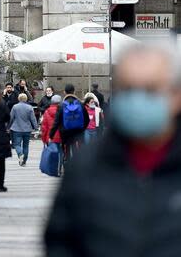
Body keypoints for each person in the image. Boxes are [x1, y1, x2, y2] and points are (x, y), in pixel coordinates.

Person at [44, 45, 181, 256]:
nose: (138, 100)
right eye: (128, 89)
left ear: (176, 95)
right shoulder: (86, 165)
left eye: (151, 90)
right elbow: (60, 241)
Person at [49, 84, 90, 163]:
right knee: (78, 148)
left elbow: (56, 122)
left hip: (65, 132)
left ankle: (65, 161)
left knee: (66, 147)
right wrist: (82, 129)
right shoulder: (80, 104)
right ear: (74, 92)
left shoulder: (61, 105)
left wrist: (51, 135)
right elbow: (87, 119)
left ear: (65, 92)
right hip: (78, 132)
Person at [10, 93, 38, 166]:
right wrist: (36, 128)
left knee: (16, 144)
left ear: (19, 99)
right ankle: (24, 161)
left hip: (16, 129)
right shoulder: (29, 107)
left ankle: (20, 154)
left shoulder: (15, 107)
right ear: (26, 99)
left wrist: (8, 127)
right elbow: (33, 119)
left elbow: (11, 118)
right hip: (27, 129)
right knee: (26, 146)